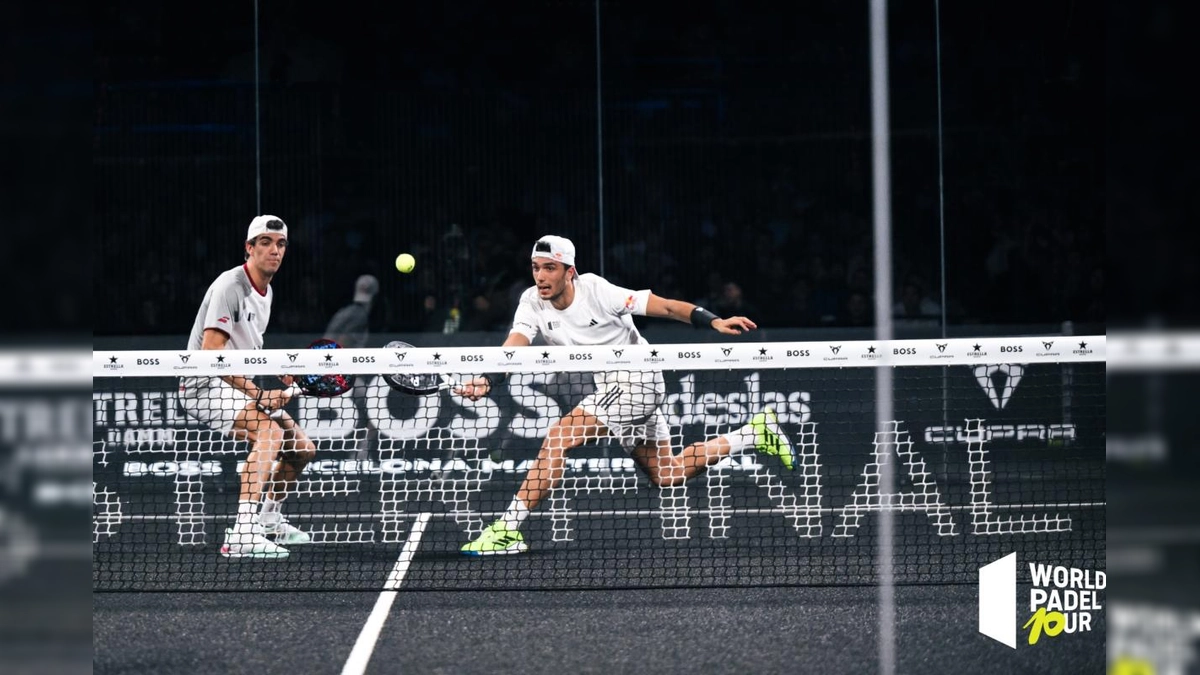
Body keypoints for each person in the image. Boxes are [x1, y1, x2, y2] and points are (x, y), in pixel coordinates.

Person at [454, 235, 796, 555]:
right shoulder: (531, 302)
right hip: (611, 387)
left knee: (559, 437)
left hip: (640, 380)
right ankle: (753, 434)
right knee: (668, 473)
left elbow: (665, 308)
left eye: (549, 268)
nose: (540, 276)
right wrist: (487, 379)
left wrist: (714, 321)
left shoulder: (599, 292)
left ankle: (507, 529)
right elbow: (516, 344)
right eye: (535, 267)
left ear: (569, 272)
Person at [178, 215, 315, 559]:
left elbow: (247, 348)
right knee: (269, 431)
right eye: (266, 243)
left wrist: (278, 370)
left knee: (302, 448)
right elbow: (212, 354)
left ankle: (269, 519)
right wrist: (257, 393)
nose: (274, 250)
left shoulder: (266, 291)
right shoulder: (231, 285)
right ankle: (242, 532)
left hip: (234, 383)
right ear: (249, 248)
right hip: (202, 385)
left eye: (281, 244)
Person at [323, 274, 380, 457]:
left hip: (335, 371)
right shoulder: (359, 316)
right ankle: (359, 456)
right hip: (336, 375)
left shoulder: (345, 312)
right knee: (376, 407)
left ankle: (357, 454)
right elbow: (341, 343)